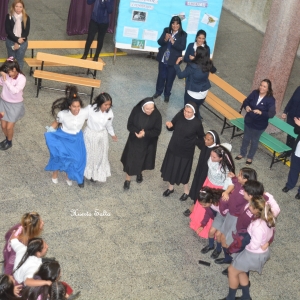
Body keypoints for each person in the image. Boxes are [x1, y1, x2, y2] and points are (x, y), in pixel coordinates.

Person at [219, 196, 276, 300]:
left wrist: (241, 246)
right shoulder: (268, 218)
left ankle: (230, 298)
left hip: (252, 254)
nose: (248, 206)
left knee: (232, 271)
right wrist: (267, 242)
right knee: (241, 270)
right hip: (260, 252)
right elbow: (271, 233)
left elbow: (254, 245)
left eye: (250, 205)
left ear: (256, 210)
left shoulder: (257, 225)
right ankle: (246, 297)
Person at [44, 86, 89, 188]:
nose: (76, 109)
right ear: (69, 106)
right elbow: (56, 123)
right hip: (63, 137)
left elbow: (94, 110)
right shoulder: (62, 114)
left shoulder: (84, 113)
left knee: (76, 158)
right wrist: (49, 133)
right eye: (74, 106)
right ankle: (55, 173)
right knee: (60, 156)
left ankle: (68, 176)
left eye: (78, 106)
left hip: (77, 139)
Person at [189, 144, 235, 240]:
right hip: (208, 183)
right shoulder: (213, 157)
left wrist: (226, 192)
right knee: (203, 204)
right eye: (211, 155)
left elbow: (230, 183)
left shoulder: (226, 170)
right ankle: (198, 223)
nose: (211, 158)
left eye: (214, 157)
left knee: (210, 208)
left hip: (217, 189)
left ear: (221, 158)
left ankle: (207, 228)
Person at [160, 102, 204, 199]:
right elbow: (172, 126)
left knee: (183, 171)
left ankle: (186, 191)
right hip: (173, 147)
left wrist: (193, 141)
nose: (186, 114)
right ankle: (170, 188)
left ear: (194, 112)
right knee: (172, 168)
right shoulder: (180, 115)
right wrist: (169, 125)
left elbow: (201, 138)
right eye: (185, 111)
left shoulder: (197, 123)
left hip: (186, 152)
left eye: (189, 112)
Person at [215, 168, 257, 267]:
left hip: (237, 219)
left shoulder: (249, 192)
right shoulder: (239, 183)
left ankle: (233, 263)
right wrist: (233, 177)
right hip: (230, 215)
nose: (238, 176)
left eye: (240, 175)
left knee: (230, 243)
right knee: (222, 237)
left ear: (246, 179)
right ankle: (227, 258)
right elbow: (235, 182)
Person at [121, 98, 162, 190]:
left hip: (148, 141)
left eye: (152, 108)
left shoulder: (157, 114)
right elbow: (129, 125)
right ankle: (127, 180)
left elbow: (157, 131)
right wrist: (137, 132)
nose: (150, 111)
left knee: (143, 159)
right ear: (143, 107)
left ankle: (139, 172)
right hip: (134, 140)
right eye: (147, 109)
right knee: (131, 160)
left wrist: (145, 133)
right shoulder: (136, 110)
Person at [235, 79, 276, 165]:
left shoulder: (270, 99)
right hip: (249, 121)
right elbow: (246, 101)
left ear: (268, 89)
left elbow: (271, 114)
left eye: (264, 86)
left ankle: (250, 157)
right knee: (246, 138)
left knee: (254, 140)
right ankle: (242, 153)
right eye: (261, 85)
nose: (261, 87)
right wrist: (246, 106)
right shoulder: (255, 93)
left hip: (259, 125)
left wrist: (261, 112)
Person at [184, 130, 220, 217]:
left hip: (207, 175)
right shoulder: (205, 145)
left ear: (214, 141)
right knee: (197, 185)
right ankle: (195, 201)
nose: (205, 141)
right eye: (205, 138)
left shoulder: (216, 151)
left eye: (208, 140)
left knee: (202, 188)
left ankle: (194, 206)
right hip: (199, 170)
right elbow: (197, 141)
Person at [175, 46, 216, 119]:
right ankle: (197, 116)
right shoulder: (208, 63)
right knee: (197, 107)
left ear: (198, 55)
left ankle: (189, 121)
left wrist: (177, 65)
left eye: (195, 52)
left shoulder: (193, 66)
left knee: (188, 109)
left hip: (193, 93)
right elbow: (214, 70)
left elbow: (180, 75)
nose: (194, 53)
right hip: (203, 93)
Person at [84, 92, 117, 182]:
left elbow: (109, 125)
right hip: (91, 135)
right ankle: (86, 173)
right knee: (89, 154)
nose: (108, 107)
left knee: (100, 155)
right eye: (105, 104)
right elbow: (81, 117)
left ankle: (95, 174)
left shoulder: (110, 113)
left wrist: (112, 134)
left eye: (109, 105)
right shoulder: (90, 109)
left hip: (102, 136)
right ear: (99, 103)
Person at [153, 16, 187, 103]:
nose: (175, 26)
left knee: (170, 78)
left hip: (173, 60)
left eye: (177, 24)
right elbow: (159, 42)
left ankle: (167, 94)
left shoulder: (183, 34)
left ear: (180, 25)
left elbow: (182, 47)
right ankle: (158, 92)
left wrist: (173, 42)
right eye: (173, 23)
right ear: (171, 24)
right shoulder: (166, 30)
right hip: (163, 58)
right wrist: (165, 39)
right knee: (161, 76)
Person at [0, 57, 26, 150]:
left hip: (15, 105)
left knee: (9, 127)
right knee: (3, 125)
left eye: (9, 71)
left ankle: (9, 142)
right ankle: (7, 139)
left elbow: (14, 91)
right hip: (3, 103)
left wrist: (6, 80)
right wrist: (2, 74)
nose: (8, 73)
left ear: (14, 69)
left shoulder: (22, 78)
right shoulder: (7, 74)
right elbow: (1, 82)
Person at [5, 0, 30, 70]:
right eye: (16, 6)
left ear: (23, 8)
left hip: (22, 42)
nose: (18, 9)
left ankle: (19, 77)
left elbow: (26, 32)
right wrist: (16, 39)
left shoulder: (26, 18)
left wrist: (18, 42)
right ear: (13, 7)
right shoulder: (9, 16)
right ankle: (10, 76)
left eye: (20, 7)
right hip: (10, 41)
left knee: (19, 60)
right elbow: (8, 30)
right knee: (10, 60)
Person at [279, 86, 300, 158]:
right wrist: (285, 111)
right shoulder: (298, 88)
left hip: (299, 120)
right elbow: (291, 100)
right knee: (290, 135)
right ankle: (287, 151)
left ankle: (294, 153)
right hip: (291, 116)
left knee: (296, 137)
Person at [282, 117, 300, 199]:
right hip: (298, 149)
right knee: (294, 168)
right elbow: (296, 131)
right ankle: (289, 185)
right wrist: (298, 125)